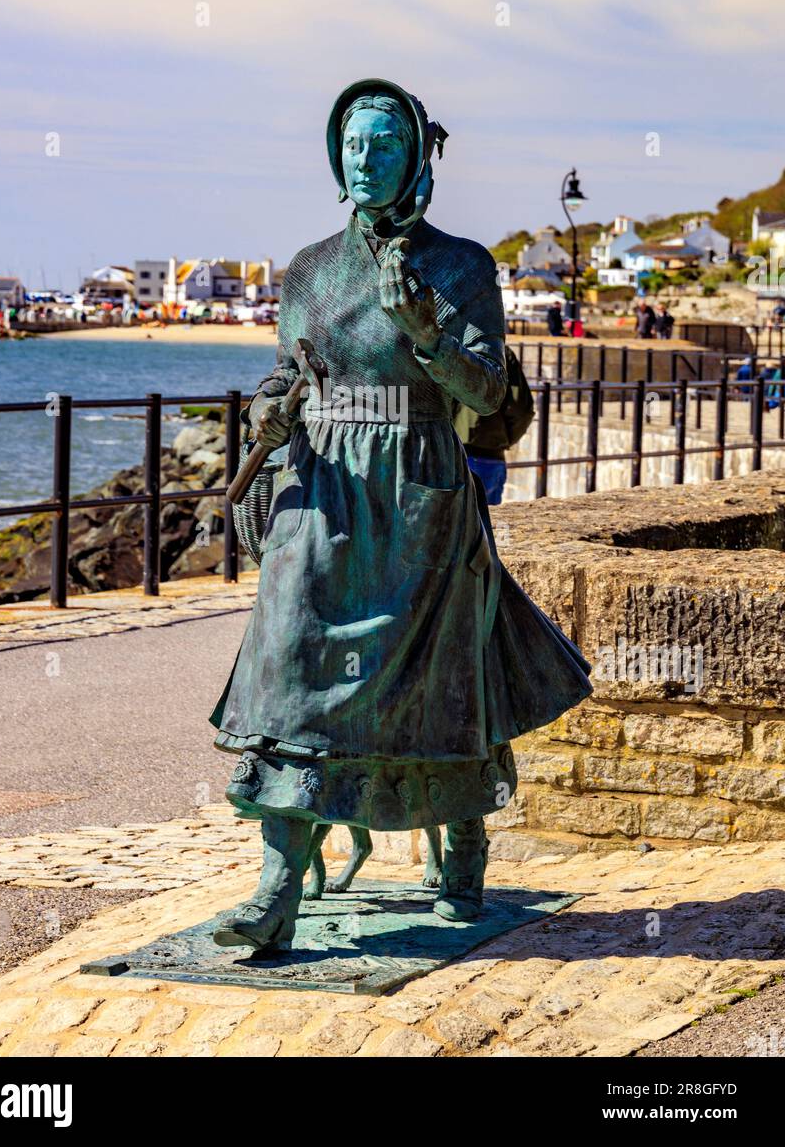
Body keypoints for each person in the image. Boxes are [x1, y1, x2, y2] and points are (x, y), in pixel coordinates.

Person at [209, 78, 592, 953]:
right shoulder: (310, 268)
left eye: (384, 144)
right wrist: (271, 410)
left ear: (417, 157)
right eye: (351, 143)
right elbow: (292, 375)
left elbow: (488, 390)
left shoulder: (462, 266)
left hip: (420, 489)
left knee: (435, 684)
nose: (365, 159)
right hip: (322, 487)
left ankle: (461, 845)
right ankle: (276, 888)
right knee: (289, 671)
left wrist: (426, 327)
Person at [453, 347, 534, 505]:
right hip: (488, 453)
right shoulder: (500, 351)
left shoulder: (436, 342)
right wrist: (502, 438)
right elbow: (521, 410)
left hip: (446, 453)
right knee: (487, 520)